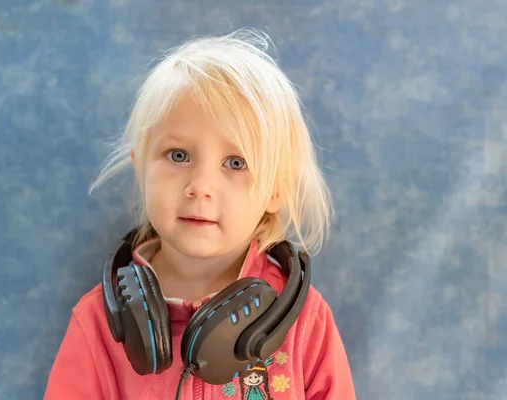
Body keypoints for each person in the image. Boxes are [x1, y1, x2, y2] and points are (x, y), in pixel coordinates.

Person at [43, 28, 355, 399]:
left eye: (236, 163)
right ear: (141, 166)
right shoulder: (98, 322)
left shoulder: (306, 323)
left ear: (275, 190)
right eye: (178, 155)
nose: (200, 186)